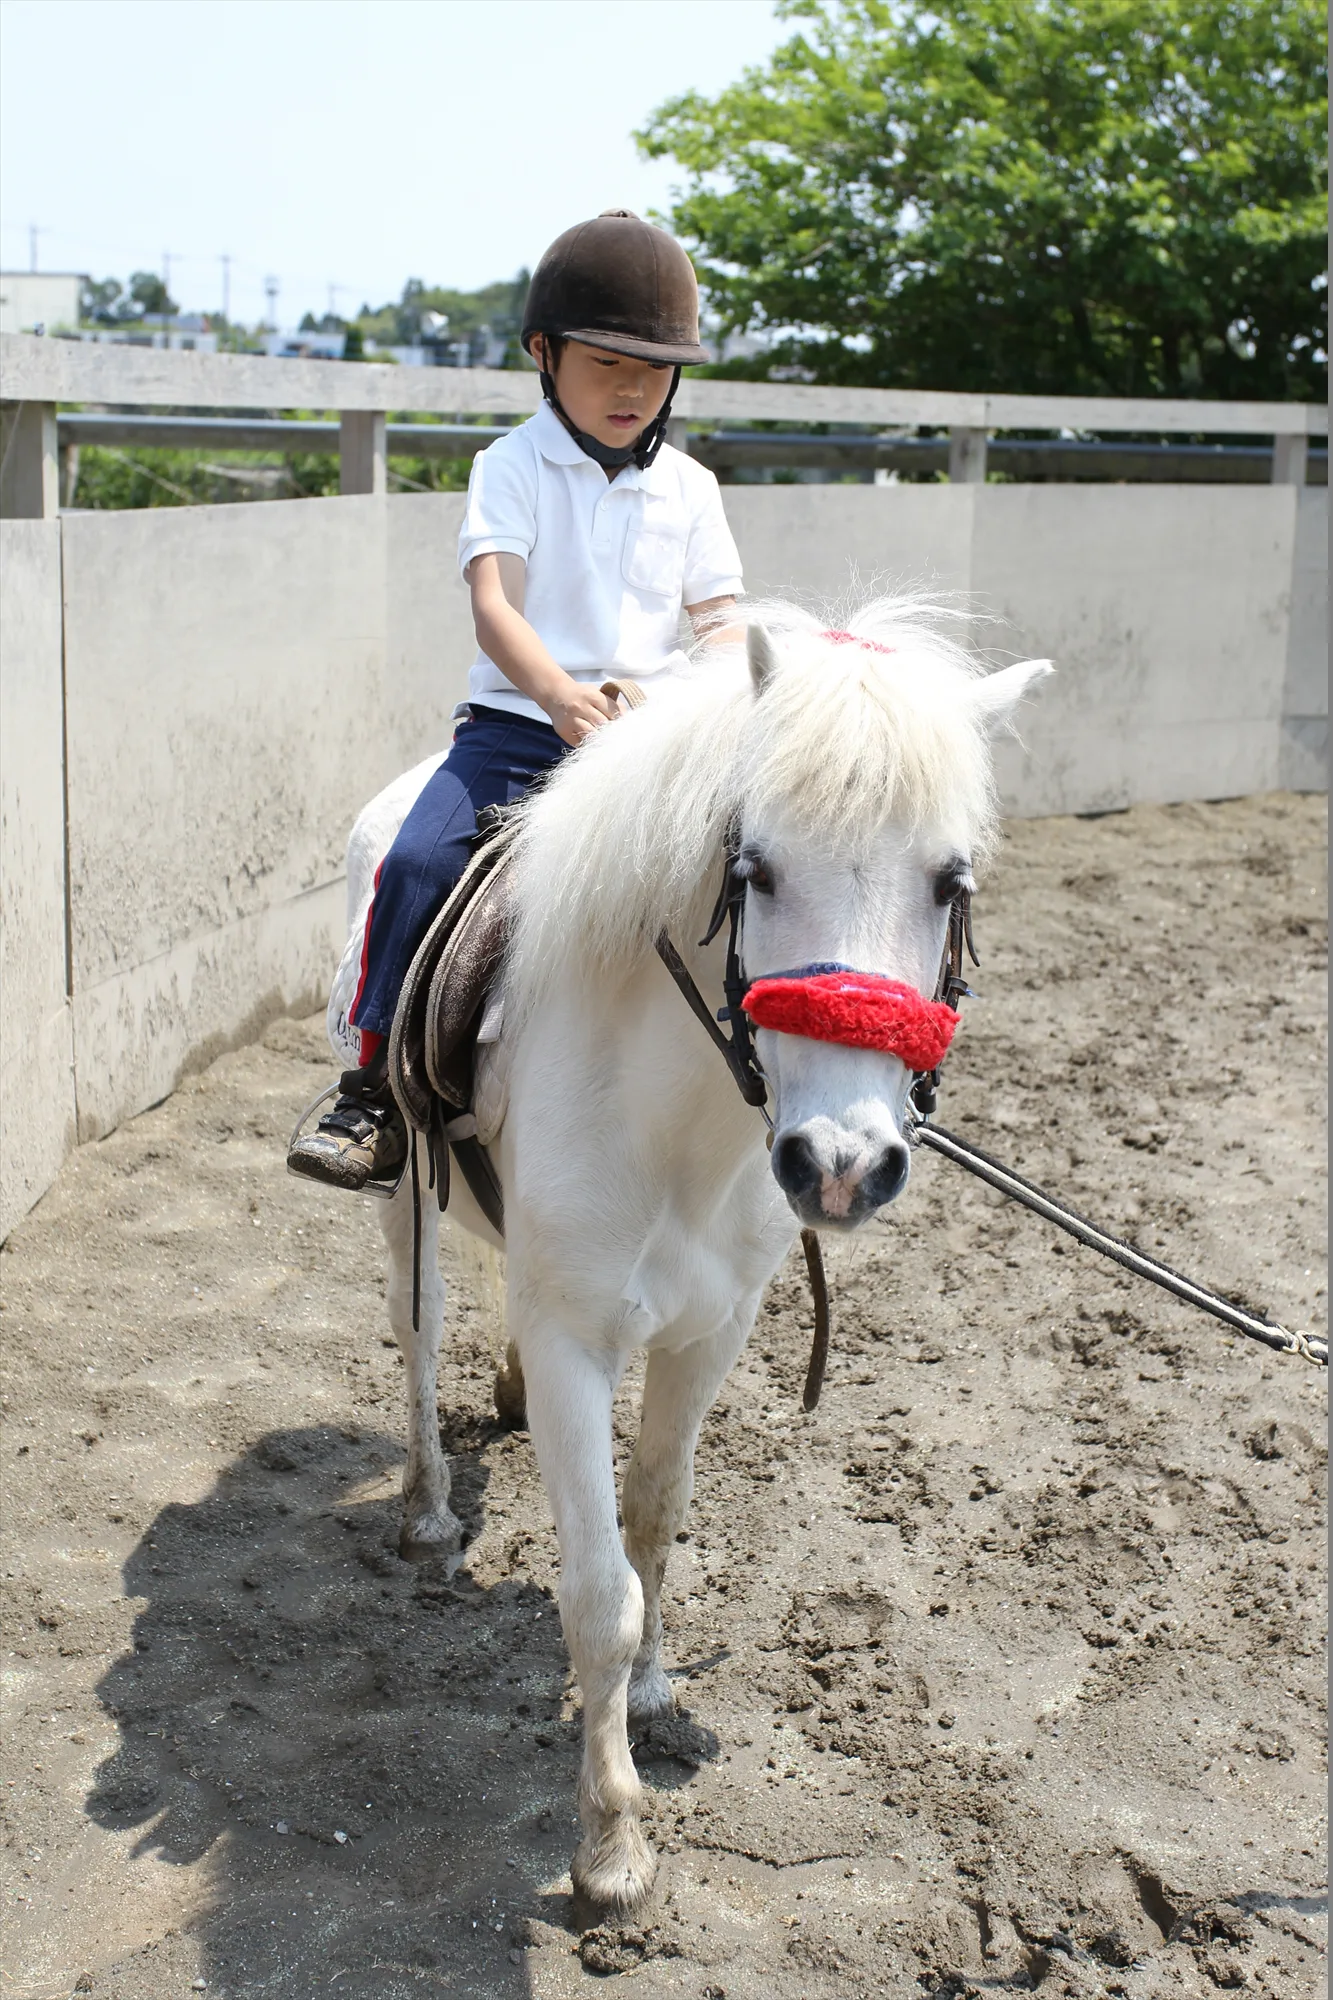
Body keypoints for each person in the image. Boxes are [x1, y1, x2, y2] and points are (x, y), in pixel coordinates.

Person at [288, 210, 744, 1191]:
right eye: (606, 362)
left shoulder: (694, 489)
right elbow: (495, 606)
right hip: (518, 731)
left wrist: (739, 698)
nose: (632, 389)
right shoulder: (510, 465)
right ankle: (371, 1090)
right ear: (544, 352)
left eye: (655, 369)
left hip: (651, 749)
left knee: (767, 873)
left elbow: (721, 625)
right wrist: (559, 697)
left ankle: (775, 1075)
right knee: (413, 860)